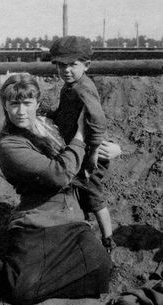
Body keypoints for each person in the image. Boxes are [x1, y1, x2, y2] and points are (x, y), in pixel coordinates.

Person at [0, 73, 112, 305]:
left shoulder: (48, 125)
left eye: (27, 103)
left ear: (37, 104)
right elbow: (60, 174)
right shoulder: (9, 145)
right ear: (5, 106)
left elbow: (84, 147)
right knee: (20, 292)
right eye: (14, 104)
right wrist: (80, 134)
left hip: (71, 218)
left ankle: (48, 278)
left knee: (102, 272)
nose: (21, 111)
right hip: (37, 222)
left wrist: (109, 148)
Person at [49, 36, 121, 252]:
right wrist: (48, 112)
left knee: (94, 196)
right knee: (78, 190)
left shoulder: (83, 88)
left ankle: (108, 240)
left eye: (72, 65)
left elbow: (97, 120)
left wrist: (94, 151)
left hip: (89, 153)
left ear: (86, 65)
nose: (66, 70)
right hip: (77, 150)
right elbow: (64, 115)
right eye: (61, 65)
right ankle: (83, 227)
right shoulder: (69, 86)